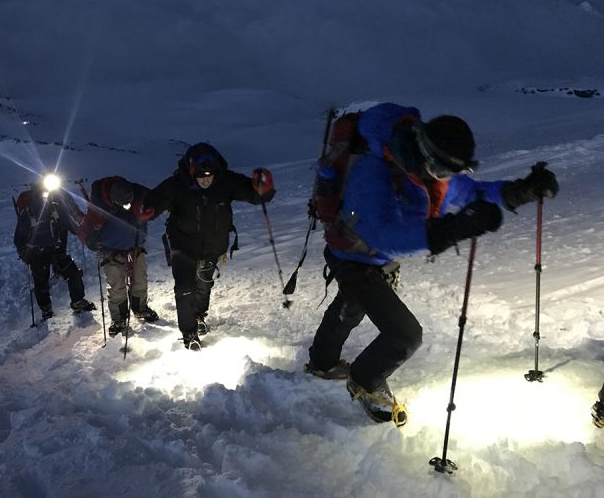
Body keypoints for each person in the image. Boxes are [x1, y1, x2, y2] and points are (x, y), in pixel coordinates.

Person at [304, 102, 559, 425]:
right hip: (353, 256)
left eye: (452, 172)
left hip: (374, 257)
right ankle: (366, 380)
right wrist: (451, 229)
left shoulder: (430, 168)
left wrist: (521, 191)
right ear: (425, 153)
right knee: (404, 335)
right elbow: (383, 234)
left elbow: (471, 193)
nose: (446, 178)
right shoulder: (374, 171)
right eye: (442, 170)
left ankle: (321, 364)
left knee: (351, 306)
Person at [146, 142, 276, 350]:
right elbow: (154, 201)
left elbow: (253, 194)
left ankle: (198, 316)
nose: (206, 180)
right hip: (182, 245)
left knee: (204, 284)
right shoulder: (177, 185)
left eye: (210, 175)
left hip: (212, 247)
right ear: (191, 171)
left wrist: (264, 188)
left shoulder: (225, 181)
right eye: (201, 176)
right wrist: (145, 209)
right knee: (184, 289)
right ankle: (189, 334)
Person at [78, 176, 158, 337]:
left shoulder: (139, 195)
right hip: (110, 251)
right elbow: (84, 229)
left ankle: (140, 308)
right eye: (123, 205)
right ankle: (119, 318)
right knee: (116, 286)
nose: (128, 208)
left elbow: (157, 199)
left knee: (140, 280)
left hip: (136, 247)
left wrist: (152, 209)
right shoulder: (99, 206)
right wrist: (90, 239)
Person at [14, 176, 96, 320]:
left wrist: (88, 237)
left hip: (54, 249)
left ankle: (76, 301)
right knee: (41, 282)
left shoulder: (56, 209)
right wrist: (24, 253)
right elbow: (19, 238)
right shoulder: (28, 214)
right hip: (36, 252)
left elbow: (71, 226)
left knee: (72, 273)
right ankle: (47, 308)